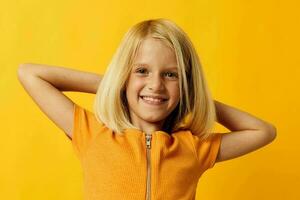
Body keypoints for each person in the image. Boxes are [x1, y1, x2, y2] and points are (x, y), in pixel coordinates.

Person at [17, 18, 277, 200]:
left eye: (171, 75)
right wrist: (115, 84)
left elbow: (264, 131)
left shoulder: (194, 148)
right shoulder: (93, 133)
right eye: (141, 71)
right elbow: (29, 73)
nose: (155, 85)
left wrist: (195, 95)